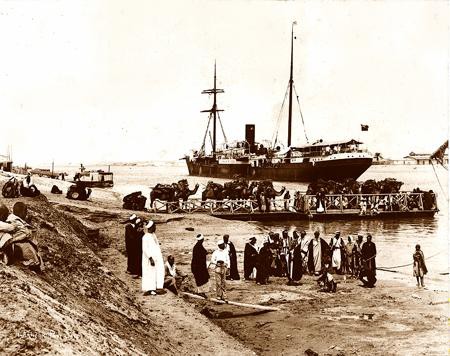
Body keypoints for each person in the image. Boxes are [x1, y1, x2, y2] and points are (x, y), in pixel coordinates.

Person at [1, 202, 42, 271]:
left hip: (13, 242)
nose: (26, 214)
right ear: (22, 212)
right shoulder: (13, 223)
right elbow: (25, 233)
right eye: (25, 212)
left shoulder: (11, 218)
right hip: (13, 244)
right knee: (28, 248)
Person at [141, 221, 165, 296]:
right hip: (150, 259)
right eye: (154, 226)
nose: (155, 228)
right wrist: (150, 258)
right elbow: (145, 249)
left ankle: (158, 287)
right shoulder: (145, 237)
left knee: (159, 271)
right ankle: (150, 289)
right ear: (151, 227)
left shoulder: (153, 235)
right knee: (150, 273)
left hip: (157, 257)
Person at [191, 234, 210, 298]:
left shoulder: (198, 246)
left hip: (200, 266)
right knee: (200, 279)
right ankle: (200, 292)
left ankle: (201, 292)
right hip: (198, 266)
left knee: (202, 279)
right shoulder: (197, 247)